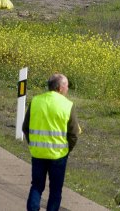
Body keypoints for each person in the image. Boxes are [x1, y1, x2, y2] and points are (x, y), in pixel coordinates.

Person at [23, 73, 79, 211]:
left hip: (38, 153)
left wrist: (33, 144)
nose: (67, 89)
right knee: (55, 190)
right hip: (58, 155)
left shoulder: (36, 101)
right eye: (66, 86)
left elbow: (25, 127)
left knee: (36, 186)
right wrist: (67, 150)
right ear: (60, 88)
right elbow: (73, 133)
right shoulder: (67, 105)